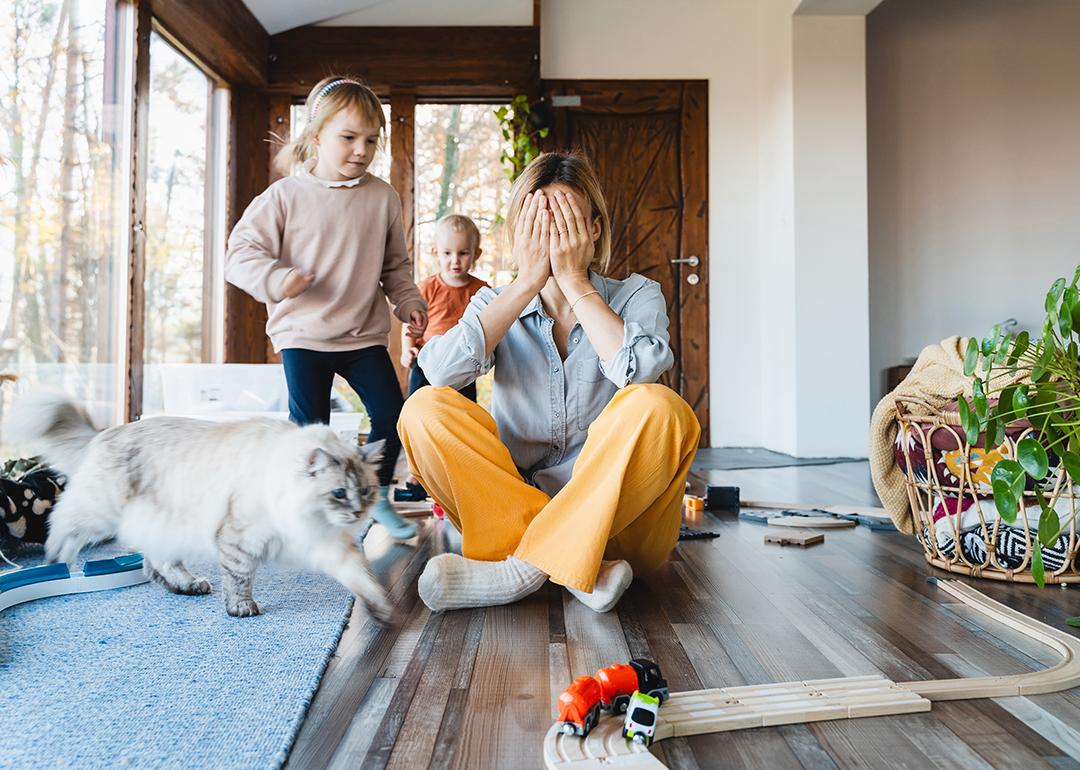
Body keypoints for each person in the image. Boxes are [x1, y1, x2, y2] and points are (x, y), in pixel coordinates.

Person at [398, 152, 700, 613]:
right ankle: (578, 566)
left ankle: (524, 569)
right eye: (538, 221)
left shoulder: (637, 294)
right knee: (422, 409)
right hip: (506, 517)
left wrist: (577, 283)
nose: (552, 234)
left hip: (619, 529)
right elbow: (437, 372)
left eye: (566, 220)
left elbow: (640, 370)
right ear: (519, 232)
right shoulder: (494, 302)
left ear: (594, 229)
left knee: (661, 408)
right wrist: (524, 286)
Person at [225, 75, 424, 541]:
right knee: (310, 434)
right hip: (303, 336)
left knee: (393, 418)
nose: (361, 149)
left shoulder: (382, 198)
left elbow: (396, 265)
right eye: (348, 138)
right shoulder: (285, 197)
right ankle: (307, 516)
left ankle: (372, 498)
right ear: (316, 137)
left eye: (371, 140)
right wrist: (277, 279)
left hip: (361, 337)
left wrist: (409, 301)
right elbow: (239, 254)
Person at [401, 214, 490, 402]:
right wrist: (407, 350)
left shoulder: (482, 291)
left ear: (476, 254)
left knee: (462, 415)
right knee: (420, 410)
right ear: (435, 253)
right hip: (426, 362)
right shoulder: (427, 288)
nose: (455, 260)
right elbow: (410, 323)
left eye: (463, 253)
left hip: (463, 364)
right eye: (447, 253)